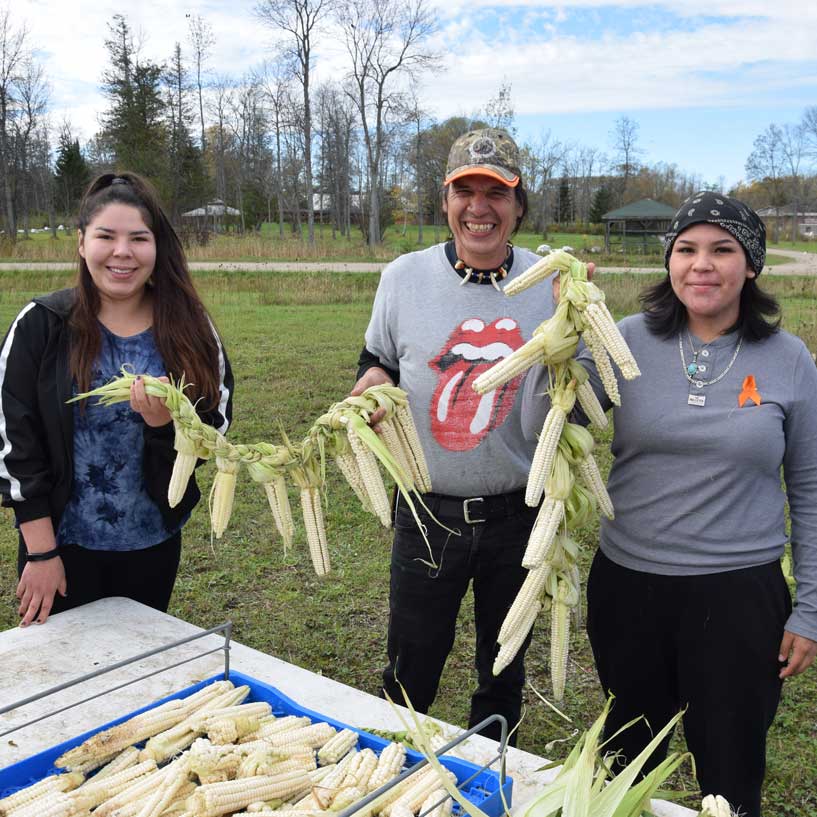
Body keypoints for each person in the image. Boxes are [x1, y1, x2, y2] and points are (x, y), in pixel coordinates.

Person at [522, 191, 817, 816]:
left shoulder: (789, 360)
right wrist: (557, 340)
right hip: (631, 589)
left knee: (731, 774)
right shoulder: (622, 340)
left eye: (722, 249)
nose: (701, 265)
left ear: (752, 265)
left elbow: (811, 490)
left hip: (740, 597)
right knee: (627, 767)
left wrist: (810, 610)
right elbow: (537, 430)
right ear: (669, 262)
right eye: (686, 249)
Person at [350, 128, 557, 743]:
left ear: (519, 206)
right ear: (445, 202)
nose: (479, 206)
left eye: (496, 192)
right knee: (411, 660)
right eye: (463, 190)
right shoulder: (403, 277)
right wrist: (372, 381)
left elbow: (585, 388)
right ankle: (394, 763)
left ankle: (492, 768)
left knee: (503, 666)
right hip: (427, 509)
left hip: (520, 512)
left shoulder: (552, 283)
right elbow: (376, 355)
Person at [1, 172, 233, 627]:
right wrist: (42, 550)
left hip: (152, 543)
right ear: (82, 243)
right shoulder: (42, 324)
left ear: (157, 247)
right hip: (62, 547)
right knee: (61, 679)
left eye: (139, 238)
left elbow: (216, 423)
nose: (122, 252)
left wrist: (166, 425)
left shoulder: (189, 328)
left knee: (133, 671)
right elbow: (12, 442)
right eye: (106, 236)